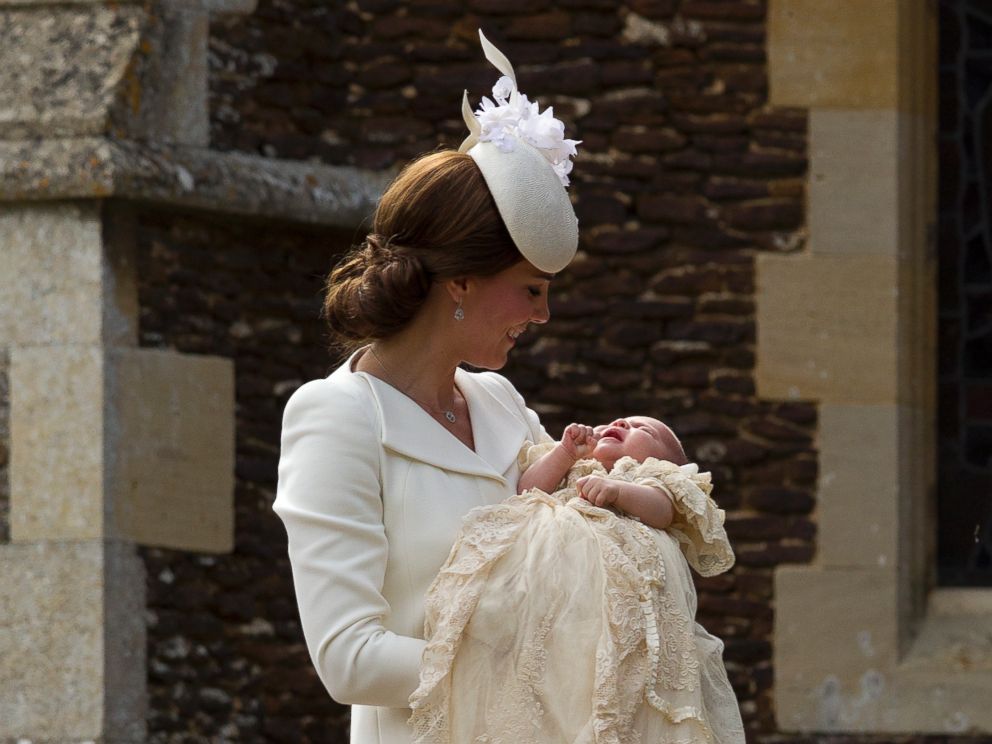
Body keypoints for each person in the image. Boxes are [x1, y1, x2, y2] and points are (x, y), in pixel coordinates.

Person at [273, 31, 580, 743]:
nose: (542, 315)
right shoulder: (336, 417)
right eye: (530, 290)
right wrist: (530, 666)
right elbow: (348, 659)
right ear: (461, 282)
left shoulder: (500, 403)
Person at [408, 417, 746, 744]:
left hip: (605, 596)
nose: (621, 424)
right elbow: (526, 489)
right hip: (543, 585)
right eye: (615, 421)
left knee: (605, 673)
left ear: (664, 460)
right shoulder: (575, 467)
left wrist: (617, 491)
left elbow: (662, 510)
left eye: (644, 429)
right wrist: (564, 453)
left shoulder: (650, 478)